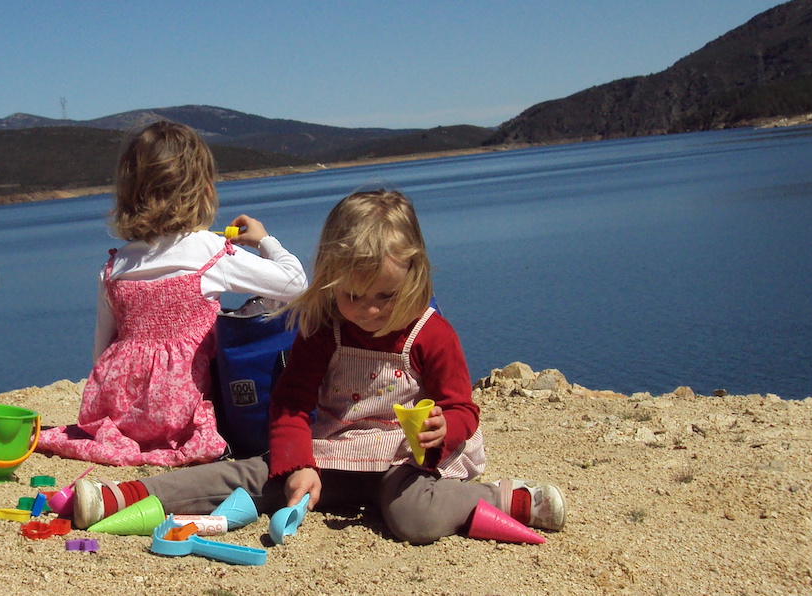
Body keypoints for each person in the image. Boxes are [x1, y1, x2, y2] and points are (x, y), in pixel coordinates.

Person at [69, 189, 566, 544]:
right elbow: (291, 400)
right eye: (352, 295)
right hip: (334, 450)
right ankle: (126, 496)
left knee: (411, 517)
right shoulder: (323, 325)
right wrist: (299, 463)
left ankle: (507, 499)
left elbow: (462, 408)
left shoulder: (431, 333)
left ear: (416, 272)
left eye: (386, 296)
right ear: (330, 277)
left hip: (404, 459)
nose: (369, 310)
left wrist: (444, 428)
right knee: (250, 474)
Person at [37, 121, 307, 466]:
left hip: (119, 415)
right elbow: (295, 284)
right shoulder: (209, 251)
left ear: (128, 194)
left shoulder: (114, 267)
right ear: (205, 190)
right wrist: (265, 240)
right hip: (182, 413)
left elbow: (100, 355)